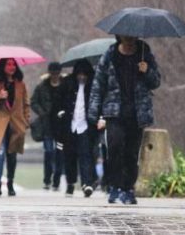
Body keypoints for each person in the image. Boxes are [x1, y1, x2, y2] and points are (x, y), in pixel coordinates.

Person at [88, 36, 161, 205]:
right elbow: (99, 84)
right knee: (114, 148)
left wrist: (147, 71)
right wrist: (95, 112)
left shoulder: (145, 55)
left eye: (131, 37)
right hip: (114, 112)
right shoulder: (110, 55)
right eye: (125, 37)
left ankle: (128, 189)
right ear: (119, 37)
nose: (128, 40)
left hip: (137, 113)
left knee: (131, 152)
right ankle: (114, 186)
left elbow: (156, 81)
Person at [0, 57, 30, 197]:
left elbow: (26, 104)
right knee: (0, 153)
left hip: (16, 123)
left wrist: (26, 120)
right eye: (8, 64)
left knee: (12, 155)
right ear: (3, 66)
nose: (12, 67)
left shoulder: (21, 84)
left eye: (14, 64)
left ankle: (10, 182)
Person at [58, 59, 97, 198]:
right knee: (69, 156)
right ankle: (71, 183)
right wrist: (61, 113)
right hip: (70, 125)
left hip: (85, 126)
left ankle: (87, 183)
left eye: (84, 74)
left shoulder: (93, 86)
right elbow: (59, 100)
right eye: (79, 74)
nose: (82, 77)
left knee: (85, 155)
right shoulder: (67, 83)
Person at [30, 61, 64, 191]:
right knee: (49, 152)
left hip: (61, 125)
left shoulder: (65, 85)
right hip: (47, 125)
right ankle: (47, 179)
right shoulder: (42, 87)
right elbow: (34, 102)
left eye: (57, 73)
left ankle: (56, 180)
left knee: (60, 153)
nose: (55, 76)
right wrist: (42, 112)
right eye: (53, 73)